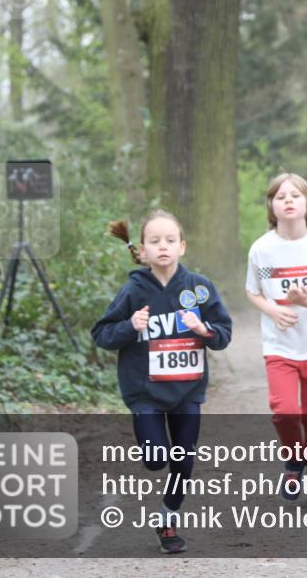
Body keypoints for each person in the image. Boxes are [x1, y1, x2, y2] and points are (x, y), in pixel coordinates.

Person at [92, 210, 233, 554]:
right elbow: (102, 334)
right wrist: (130, 326)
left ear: (182, 246)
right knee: (157, 458)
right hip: (146, 393)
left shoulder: (199, 287)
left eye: (170, 240)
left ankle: (167, 520)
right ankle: (159, 463)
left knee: (183, 460)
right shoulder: (133, 291)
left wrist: (204, 330)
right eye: (155, 241)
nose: (163, 246)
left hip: (187, 389)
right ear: (142, 251)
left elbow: (224, 333)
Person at [246, 174, 307, 507]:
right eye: (280, 196)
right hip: (279, 345)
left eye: (295, 195)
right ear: (272, 206)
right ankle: (293, 461)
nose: (288, 200)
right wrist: (274, 311)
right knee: (285, 411)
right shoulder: (262, 249)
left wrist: (306, 302)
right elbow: (254, 291)